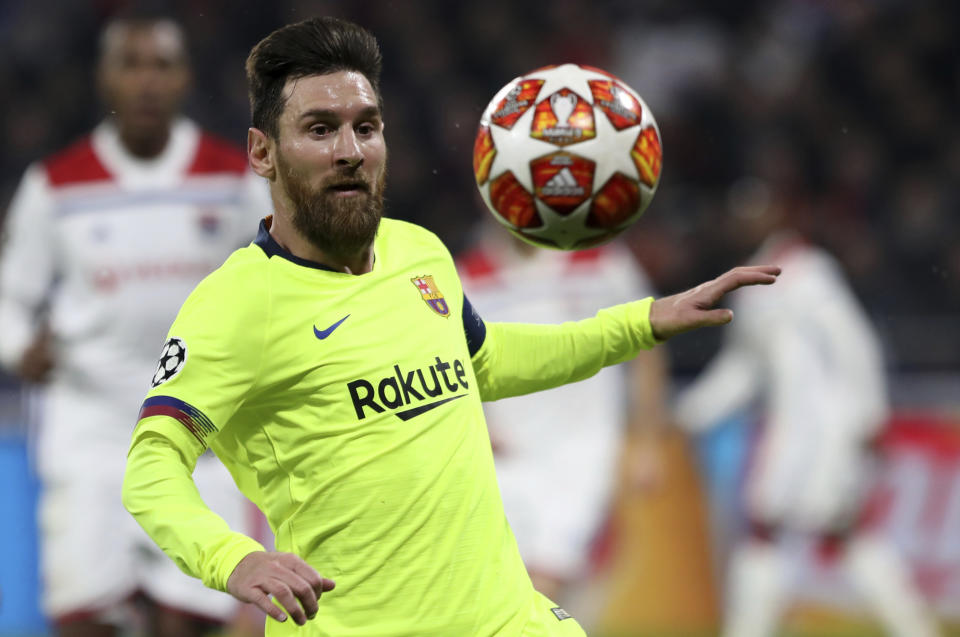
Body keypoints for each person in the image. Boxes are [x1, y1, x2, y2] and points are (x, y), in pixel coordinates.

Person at [121, 16, 779, 637]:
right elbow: (150, 470)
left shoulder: (419, 252)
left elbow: (483, 360)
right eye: (320, 129)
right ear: (263, 154)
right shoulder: (235, 303)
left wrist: (641, 322)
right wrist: (234, 560)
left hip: (507, 618)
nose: (351, 150)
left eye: (366, 126)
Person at [0, 15, 271, 637]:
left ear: (184, 78)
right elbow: (10, 300)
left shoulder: (231, 179)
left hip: (200, 426)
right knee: (84, 619)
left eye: (161, 65)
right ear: (105, 79)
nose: (146, 81)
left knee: (194, 617)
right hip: (90, 429)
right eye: (131, 64)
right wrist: (20, 350)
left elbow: (274, 278)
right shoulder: (55, 186)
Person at [675, 179, 940, 637]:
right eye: (741, 214)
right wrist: (689, 412)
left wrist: (870, 414)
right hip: (792, 430)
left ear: (778, 214)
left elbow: (853, 341)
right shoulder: (753, 286)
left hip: (826, 428)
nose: (747, 222)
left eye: (756, 212)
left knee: (776, 528)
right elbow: (744, 370)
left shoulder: (807, 270)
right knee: (830, 531)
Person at [456, 221, 670, 609]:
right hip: (502, 456)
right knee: (509, 591)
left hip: (582, 453)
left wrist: (647, 441)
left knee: (543, 584)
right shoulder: (466, 275)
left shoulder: (599, 261)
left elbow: (648, 346)